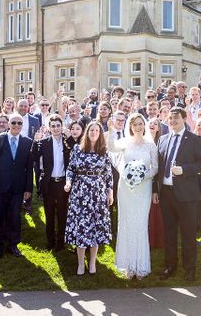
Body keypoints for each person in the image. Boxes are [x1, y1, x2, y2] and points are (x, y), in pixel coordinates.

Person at [153, 106, 201, 282]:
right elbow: (158, 168)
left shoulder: (194, 139)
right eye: (170, 118)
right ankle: (170, 266)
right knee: (169, 233)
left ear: (184, 119)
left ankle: (189, 269)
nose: (173, 121)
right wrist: (156, 190)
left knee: (188, 234)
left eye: (176, 118)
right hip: (166, 194)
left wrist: (184, 170)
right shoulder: (162, 139)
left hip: (187, 196)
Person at [106, 113, 158, 279]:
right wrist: (111, 130)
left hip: (143, 188)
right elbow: (111, 147)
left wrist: (143, 176)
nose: (138, 127)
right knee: (127, 224)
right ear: (130, 126)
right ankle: (129, 266)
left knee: (140, 224)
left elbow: (155, 167)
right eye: (135, 124)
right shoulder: (125, 142)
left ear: (144, 126)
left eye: (140, 124)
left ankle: (141, 266)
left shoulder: (150, 145)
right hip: (126, 189)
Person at [64, 121, 114, 275]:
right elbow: (70, 168)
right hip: (80, 193)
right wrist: (68, 182)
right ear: (87, 132)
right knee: (81, 227)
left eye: (96, 130)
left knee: (95, 228)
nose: (93, 132)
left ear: (100, 134)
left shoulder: (103, 151)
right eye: (91, 130)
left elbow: (108, 174)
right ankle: (80, 263)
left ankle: (92, 262)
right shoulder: (77, 149)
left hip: (97, 194)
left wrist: (110, 191)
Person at [0, 113, 34, 259]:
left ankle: (13, 244)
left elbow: (29, 167)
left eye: (19, 123)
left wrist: (28, 188)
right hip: (0, 185)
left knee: (15, 217)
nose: (16, 125)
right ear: (8, 124)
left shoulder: (27, 142)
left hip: (18, 187)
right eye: (13, 123)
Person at [32, 114, 70, 252]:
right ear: (49, 128)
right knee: (49, 214)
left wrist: (70, 136)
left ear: (62, 126)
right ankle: (50, 241)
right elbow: (34, 157)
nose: (56, 128)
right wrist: (35, 142)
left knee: (62, 213)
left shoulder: (67, 142)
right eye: (53, 126)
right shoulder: (44, 142)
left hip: (63, 184)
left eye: (58, 125)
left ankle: (61, 241)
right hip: (49, 183)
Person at [147, 117, 165, 249]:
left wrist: (155, 189)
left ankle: (155, 239)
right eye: (150, 123)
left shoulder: (162, 143)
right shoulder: (143, 142)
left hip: (156, 182)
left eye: (155, 124)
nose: (152, 125)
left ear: (159, 128)